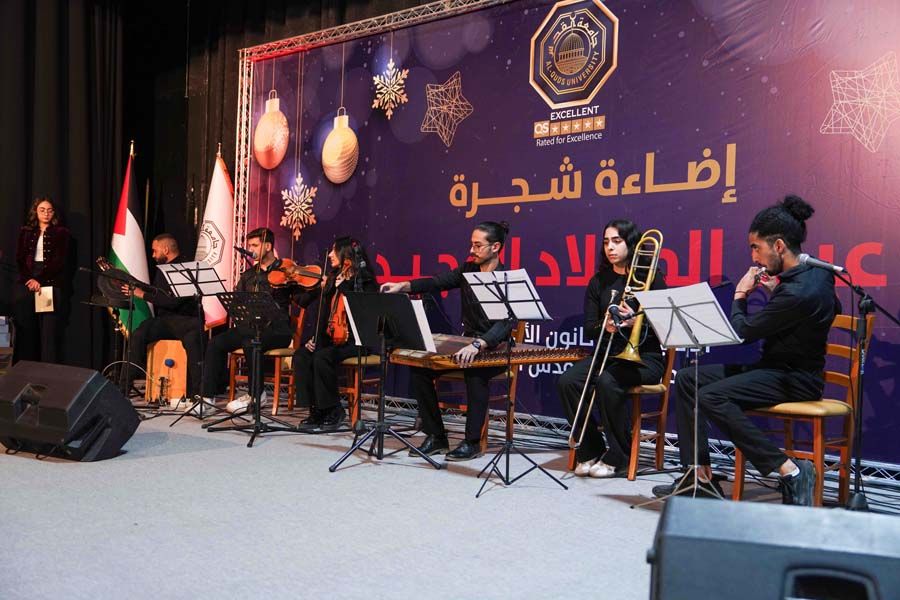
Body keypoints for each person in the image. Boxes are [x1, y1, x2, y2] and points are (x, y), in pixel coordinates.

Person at [655, 195, 838, 506]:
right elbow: (832, 307)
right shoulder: (817, 273)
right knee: (687, 378)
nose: (754, 256)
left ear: (778, 246)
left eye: (756, 247)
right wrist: (777, 292)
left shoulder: (797, 292)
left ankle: (790, 469)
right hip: (776, 368)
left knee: (711, 396)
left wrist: (740, 294)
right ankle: (698, 477)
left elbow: (743, 333)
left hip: (795, 378)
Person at [381, 221, 514, 461]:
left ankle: (472, 442)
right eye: (471, 244)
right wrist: (404, 286)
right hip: (468, 345)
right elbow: (436, 282)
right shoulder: (468, 270)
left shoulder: (506, 279)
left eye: (478, 245)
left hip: (495, 348)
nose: (471, 250)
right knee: (420, 370)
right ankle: (436, 436)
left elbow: (505, 323)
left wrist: (479, 344)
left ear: (495, 247)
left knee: (475, 372)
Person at [557, 220, 667, 478]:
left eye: (617, 241)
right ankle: (590, 449)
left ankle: (620, 455)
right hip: (608, 354)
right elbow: (589, 328)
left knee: (608, 381)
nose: (610, 247)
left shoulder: (652, 278)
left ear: (631, 243)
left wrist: (636, 321)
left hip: (645, 358)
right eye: (606, 242)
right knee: (568, 382)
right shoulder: (598, 281)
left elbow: (665, 326)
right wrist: (606, 325)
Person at [200, 227, 294, 413]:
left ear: (268, 246)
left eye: (255, 245)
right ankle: (207, 398)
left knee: (251, 342)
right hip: (251, 327)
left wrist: (300, 281)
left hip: (278, 330)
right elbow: (236, 302)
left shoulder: (286, 271)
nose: (250, 249)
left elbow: (303, 299)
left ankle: (256, 394)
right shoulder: (249, 275)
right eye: (249, 245)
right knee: (216, 343)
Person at [293, 237, 378, 431]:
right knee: (302, 355)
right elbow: (323, 315)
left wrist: (344, 287)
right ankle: (315, 409)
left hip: (356, 342)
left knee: (322, 357)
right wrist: (314, 339)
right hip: (332, 340)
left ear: (346, 255)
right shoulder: (332, 279)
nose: (330, 254)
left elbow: (364, 311)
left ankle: (334, 409)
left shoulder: (365, 281)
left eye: (334, 251)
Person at [121, 234, 203, 400]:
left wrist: (142, 294)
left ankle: (198, 394)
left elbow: (172, 302)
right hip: (165, 322)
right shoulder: (162, 269)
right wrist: (136, 286)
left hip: (185, 321)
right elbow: (159, 293)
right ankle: (122, 389)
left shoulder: (185, 269)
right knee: (139, 334)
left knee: (193, 339)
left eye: (155, 250)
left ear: (166, 249)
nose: (153, 255)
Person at [14, 197, 71, 364]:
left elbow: (59, 261)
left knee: (49, 331)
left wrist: (39, 280)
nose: (46, 213)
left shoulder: (61, 233)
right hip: (29, 282)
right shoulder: (26, 232)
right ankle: (27, 367)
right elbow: (20, 259)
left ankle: (48, 369)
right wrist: (30, 279)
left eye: (49, 210)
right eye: (42, 210)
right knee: (27, 329)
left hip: (50, 282)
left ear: (53, 213)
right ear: (36, 212)